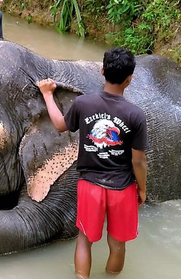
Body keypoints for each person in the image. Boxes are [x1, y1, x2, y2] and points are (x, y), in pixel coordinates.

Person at [36, 47, 147, 279]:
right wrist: (143, 190)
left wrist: (47, 94)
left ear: (102, 70)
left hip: (90, 185)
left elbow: (59, 125)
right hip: (123, 187)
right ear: (130, 79)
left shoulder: (83, 104)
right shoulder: (136, 115)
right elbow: (139, 161)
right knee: (118, 244)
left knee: (84, 241)